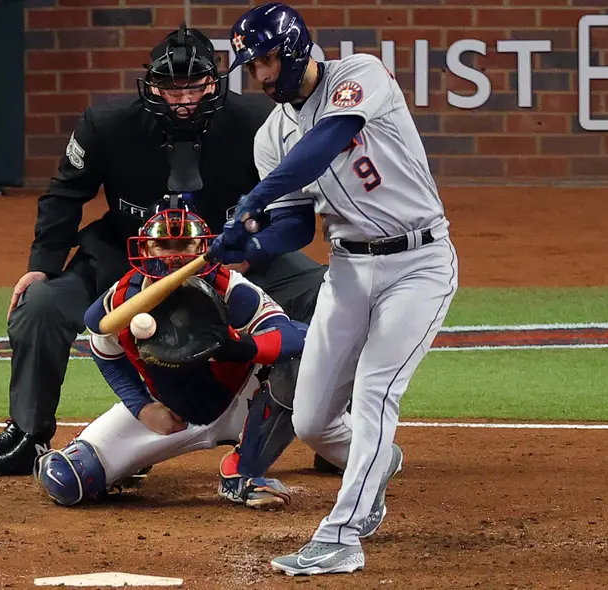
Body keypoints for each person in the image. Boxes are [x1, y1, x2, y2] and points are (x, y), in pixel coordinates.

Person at [0, 24, 330, 478]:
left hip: (227, 258)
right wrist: (41, 267)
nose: (182, 98)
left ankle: (330, 429)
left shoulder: (260, 121)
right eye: (170, 87)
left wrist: (250, 252)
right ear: (150, 84)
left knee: (327, 292)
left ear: (214, 83)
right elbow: (63, 196)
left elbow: (289, 203)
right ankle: (27, 434)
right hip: (128, 258)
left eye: (194, 86)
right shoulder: (106, 124)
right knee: (38, 306)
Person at [212, 3, 460, 576]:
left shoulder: (360, 75)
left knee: (374, 393)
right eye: (253, 67)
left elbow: (327, 142)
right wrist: (248, 245)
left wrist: (253, 199)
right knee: (312, 421)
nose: (262, 76)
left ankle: (342, 536)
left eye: (268, 60)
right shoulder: (272, 135)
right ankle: (377, 463)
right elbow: (299, 220)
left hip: (419, 263)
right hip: (348, 270)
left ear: (296, 49)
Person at [33, 198, 305, 509]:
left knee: (300, 363)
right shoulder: (122, 299)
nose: (175, 256)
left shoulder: (230, 290)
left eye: (185, 244)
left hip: (246, 402)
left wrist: (242, 348)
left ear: (202, 248)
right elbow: (103, 350)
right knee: (65, 479)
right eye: (164, 245)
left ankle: (243, 471)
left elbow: (295, 338)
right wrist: (142, 407)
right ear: (146, 250)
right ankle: (134, 461)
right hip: (172, 413)